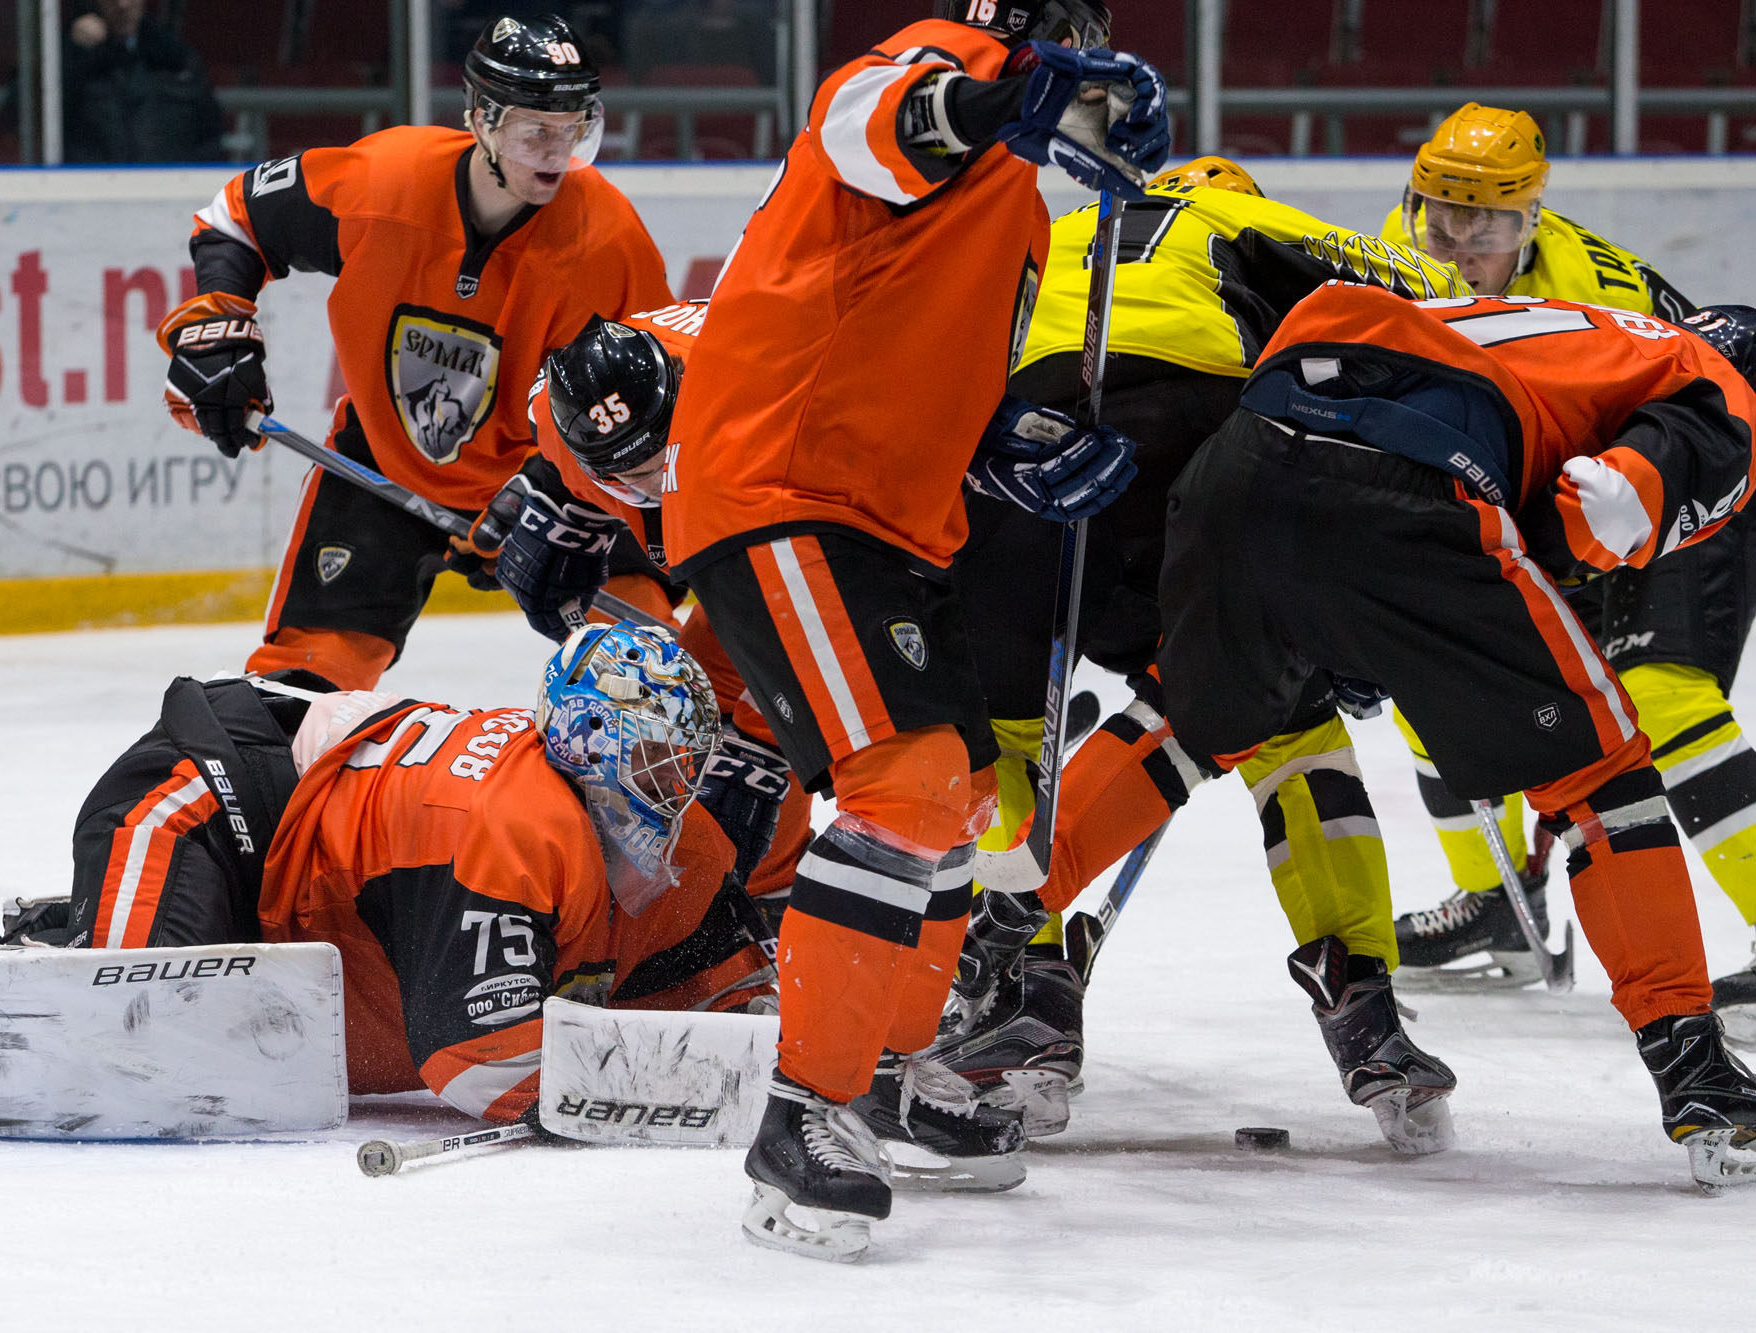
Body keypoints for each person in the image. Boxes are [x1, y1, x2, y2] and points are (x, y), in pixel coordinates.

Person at [660, 0, 1168, 1260]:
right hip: (783, 491)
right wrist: (1015, 89)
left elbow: (933, 375)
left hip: (892, 522)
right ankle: (803, 1111)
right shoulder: (941, 60)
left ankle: (885, 1073)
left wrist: (1015, 452)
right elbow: (862, 120)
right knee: (905, 781)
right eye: (1079, 72)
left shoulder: (1020, 213)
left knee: (962, 798)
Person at [1156, 282, 1756, 1185]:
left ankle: (1006, 965)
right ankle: (1693, 1067)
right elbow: (1598, 506)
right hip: (1417, 492)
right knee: (1601, 772)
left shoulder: (1573, 317)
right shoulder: (1716, 382)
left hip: (1239, 453)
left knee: (1186, 726)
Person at [931, 155, 1474, 1139]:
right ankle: (1360, 997)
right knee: (1285, 719)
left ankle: (1023, 985)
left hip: (1007, 460)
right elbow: (1423, 292)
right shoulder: (1230, 216)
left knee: (1004, 741)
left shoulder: (1059, 229)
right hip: (1195, 441)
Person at [1368, 106, 1756, 1013]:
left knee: (1659, 697)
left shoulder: (1590, 288)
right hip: (1563, 486)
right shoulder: (1391, 255)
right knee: (1428, 676)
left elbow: (1671, 417)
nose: (1456, 248)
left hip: (1680, 472)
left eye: (1485, 229)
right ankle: (1495, 907)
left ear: (1530, 221)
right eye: (1438, 220)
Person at [157, 13, 674, 693]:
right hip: (384, 463)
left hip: (559, 489)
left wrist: (552, 494)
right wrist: (218, 325)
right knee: (301, 690)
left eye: (573, 129)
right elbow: (236, 219)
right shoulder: (385, 182)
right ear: (482, 119)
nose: (558, 153)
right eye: (535, 133)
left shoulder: (607, 241)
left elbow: (649, 407)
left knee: (646, 678)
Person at [67, 623, 774, 1120]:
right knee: (138, 1038)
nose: (678, 785)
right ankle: (69, 938)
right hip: (219, 798)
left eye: (686, 761)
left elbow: (734, 998)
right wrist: (677, 1090)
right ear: (588, 742)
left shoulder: (678, 841)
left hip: (325, 872)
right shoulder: (512, 824)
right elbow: (479, 1060)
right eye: (655, 759)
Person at [510, 303, 812, 921]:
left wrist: (766, 738)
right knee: (677, 712)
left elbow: (819, 595)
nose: (648, 487)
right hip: (740, 518)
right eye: (625, 477)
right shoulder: (552, 418)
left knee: (766, 743)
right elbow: (569, 470)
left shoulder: (764, 415)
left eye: (658, 463)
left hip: (815, 518)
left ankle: (771, 895)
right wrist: (567, 510)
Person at [62, 0, 224, 163]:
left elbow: (209, 134)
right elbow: (53, 121)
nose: (123, 5)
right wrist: (75, 52)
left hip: (171, 177)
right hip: (95, 177)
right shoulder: (69, 57)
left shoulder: (175, 58)